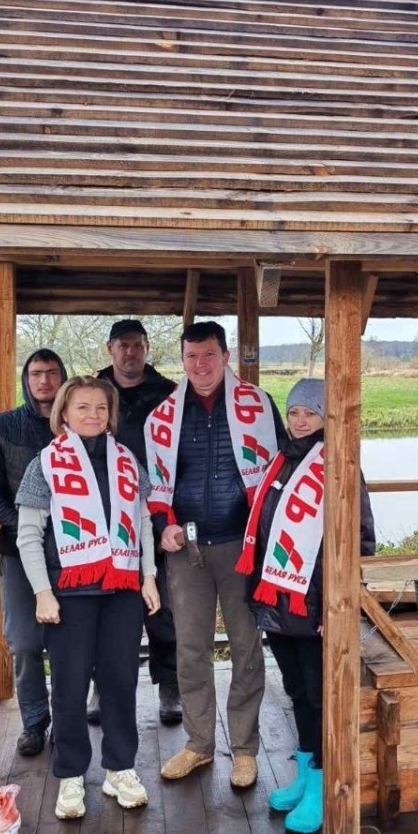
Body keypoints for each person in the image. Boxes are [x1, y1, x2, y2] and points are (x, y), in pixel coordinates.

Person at [145, 321, 285, 789]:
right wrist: (163, 526)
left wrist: (268, 536)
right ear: (181, 360)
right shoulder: (163, 415)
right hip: (186, 549)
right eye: (191, 356)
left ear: (226, 356)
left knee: (246, 647)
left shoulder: (258, 405)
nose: (200, 365)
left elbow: (280, 469)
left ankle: (244, 749)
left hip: (242, 546)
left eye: (208, 355)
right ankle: (199, 743)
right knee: (190, 648)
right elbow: (153, 482)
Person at [14, 376, 162, 820]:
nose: (93, 415)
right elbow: (28, 535)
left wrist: (149, 577)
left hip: (121, 591)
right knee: (69, 686)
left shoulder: (127, 460)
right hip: (68, 592)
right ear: (64, 413)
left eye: (101, 407)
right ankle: (71, 773)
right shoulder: (45, 464)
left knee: (120, 681)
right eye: (82, 407)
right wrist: (42, 592)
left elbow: (143, 523)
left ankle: (120, 768)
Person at [237, 378, 376, 833]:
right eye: (294, 412)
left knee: (320, 697)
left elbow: (360, 539)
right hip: (277, 603)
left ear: (326, 417)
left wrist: (337, 606)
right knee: (297, 690)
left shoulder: (338, 465)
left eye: (310, 414)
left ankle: (322, 785)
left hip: (316, 608)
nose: (299, 421)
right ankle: (304, 775)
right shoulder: (280, 458)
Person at [0, 348, 67, 757]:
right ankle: (34, 720)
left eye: (52, 372)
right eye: (36, 373)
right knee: (26, 642)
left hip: (74, 554)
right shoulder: (2, 427)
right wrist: (29, 531)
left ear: (63, 377)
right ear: (26, 379)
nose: (44, 380)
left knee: (71, 642)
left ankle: (67, 718)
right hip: (19, 552)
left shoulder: (77, 425)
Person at [93, 318, 181, 726]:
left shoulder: (169, 393)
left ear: (146, 348)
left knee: (162, 607)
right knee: (104, 608)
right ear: (110, 348)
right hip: (104, 516)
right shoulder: (92, 392)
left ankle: (169, 685)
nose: (130, 352)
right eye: (122, 345)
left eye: (137, 345)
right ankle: (101, 687)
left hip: (157, 511)